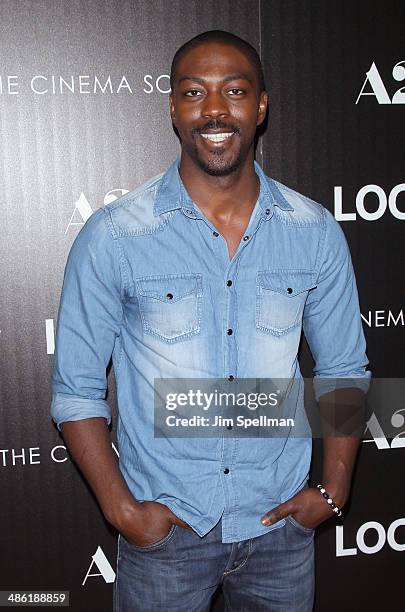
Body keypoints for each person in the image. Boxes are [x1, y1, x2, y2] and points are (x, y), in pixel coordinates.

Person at [51, 30, 371, 612]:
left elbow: (343, 366)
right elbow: (76, 390)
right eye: (195, 92)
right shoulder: (116, 235)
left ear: (262, 106)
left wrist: (335, 487)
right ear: (172, 107)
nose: (216, 110)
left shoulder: (313, 230)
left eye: (236, 91)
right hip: (167, 534)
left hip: (280, 531)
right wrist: (123, 511)